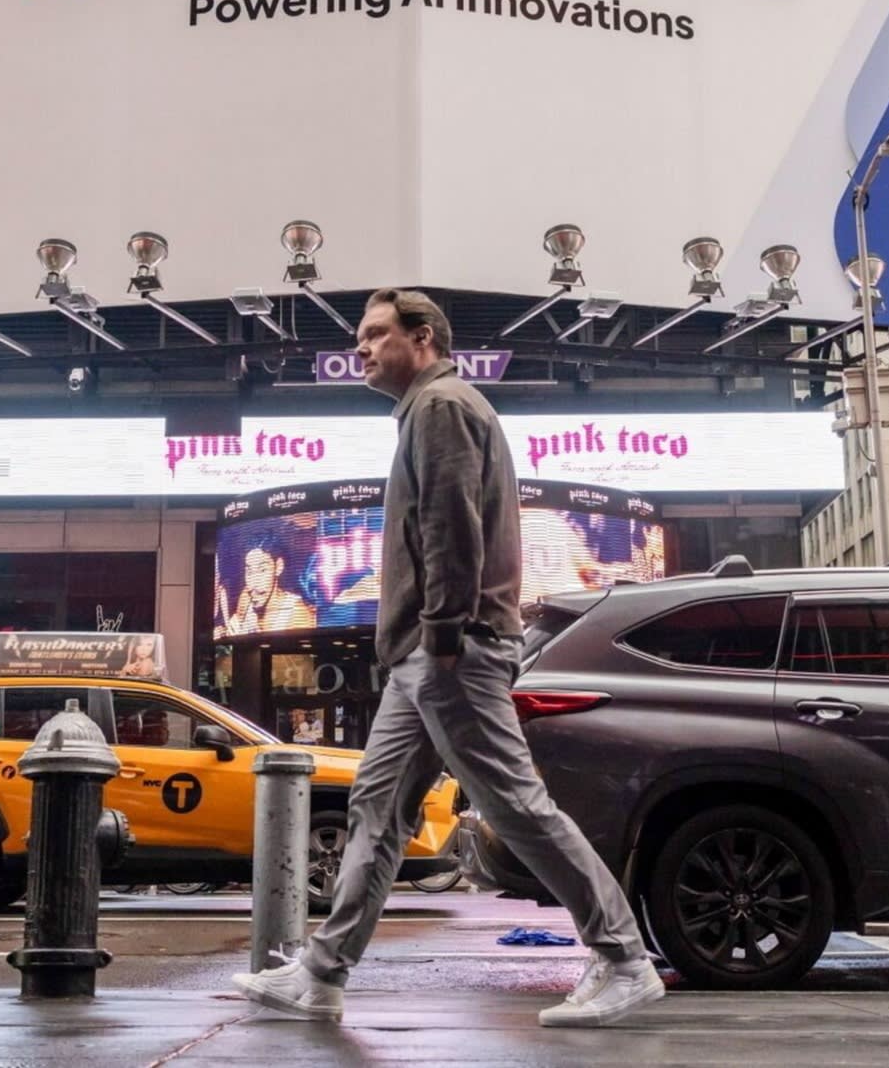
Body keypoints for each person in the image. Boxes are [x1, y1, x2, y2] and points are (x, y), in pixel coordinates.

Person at [233, 288, 663, 1030]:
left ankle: (624, 959)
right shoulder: (426, 412)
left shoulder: (441, 408)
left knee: (515, 807)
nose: (361, 349)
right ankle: (321, 973)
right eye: (360, 337)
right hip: (423, 657)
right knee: (377, 806)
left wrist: (439, 635)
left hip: (450, 651)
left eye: (375, 335)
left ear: (422, 338)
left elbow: (450, 527)